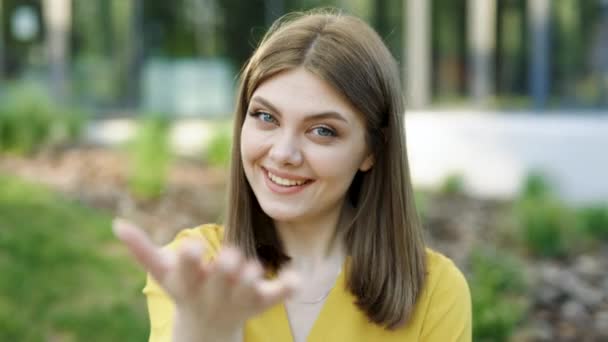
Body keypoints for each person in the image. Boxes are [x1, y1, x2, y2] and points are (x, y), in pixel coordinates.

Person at [114, 9, 471, 342]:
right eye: (266, 117)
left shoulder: (435, 291)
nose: (284, 153)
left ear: (371, 150)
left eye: (322, 131)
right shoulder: (195, 270)